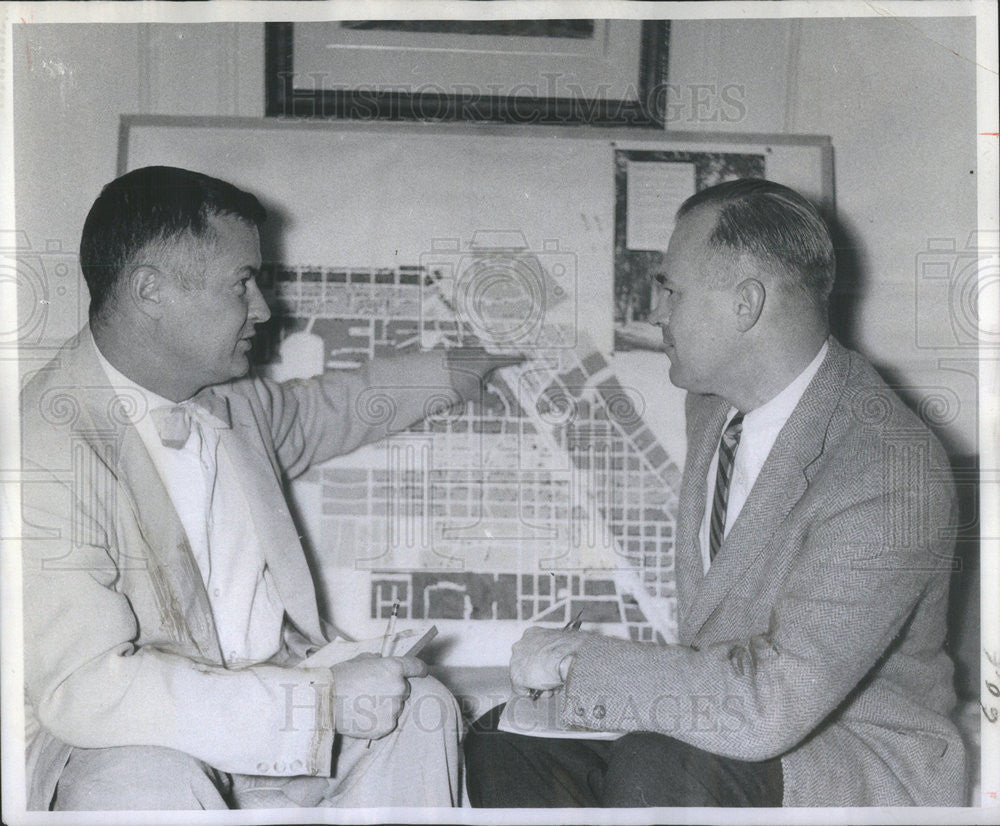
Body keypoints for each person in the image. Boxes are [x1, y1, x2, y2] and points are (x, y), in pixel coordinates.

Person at [463, 179, 965, 807]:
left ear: (746, 304)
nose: (654, 311)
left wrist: (575, 660)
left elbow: (773, 702)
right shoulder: (711, 405)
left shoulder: (889, 468)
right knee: (499, 746)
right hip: (728, 729)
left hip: (856, 757)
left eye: (670, 288)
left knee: (659, 764)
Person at [20, 166, 508, 810]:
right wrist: (323, 701)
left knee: (422, 708)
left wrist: (459, 368)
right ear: (150, 291)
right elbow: (86, 688)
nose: (263, 309)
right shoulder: (45, 446)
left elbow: (335, 407)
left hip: (274, 692)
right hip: (128, 740)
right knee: (144, 785)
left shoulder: (229, 401)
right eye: (242, 283)